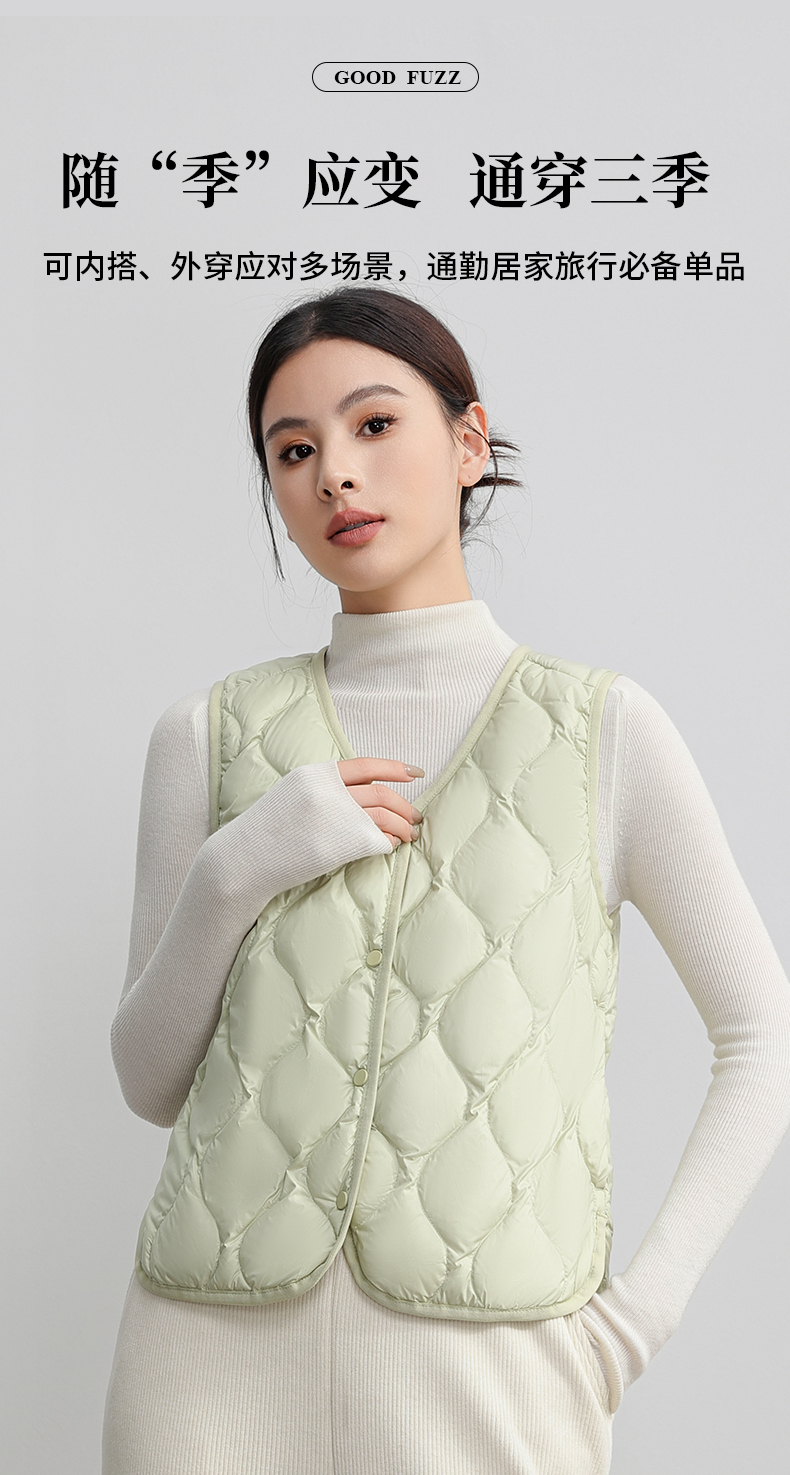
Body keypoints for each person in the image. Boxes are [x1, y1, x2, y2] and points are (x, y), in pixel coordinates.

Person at [102, 287, 790, 1475]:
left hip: (495, 1370)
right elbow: (146, 1080)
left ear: (469, 443)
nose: (335, 472)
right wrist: (239, 863)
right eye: (293, 450)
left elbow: (759, 1033)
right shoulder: (204, 734)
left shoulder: (603, 729)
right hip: (200, 1359)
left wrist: (634, 1322)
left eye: (374, 425)